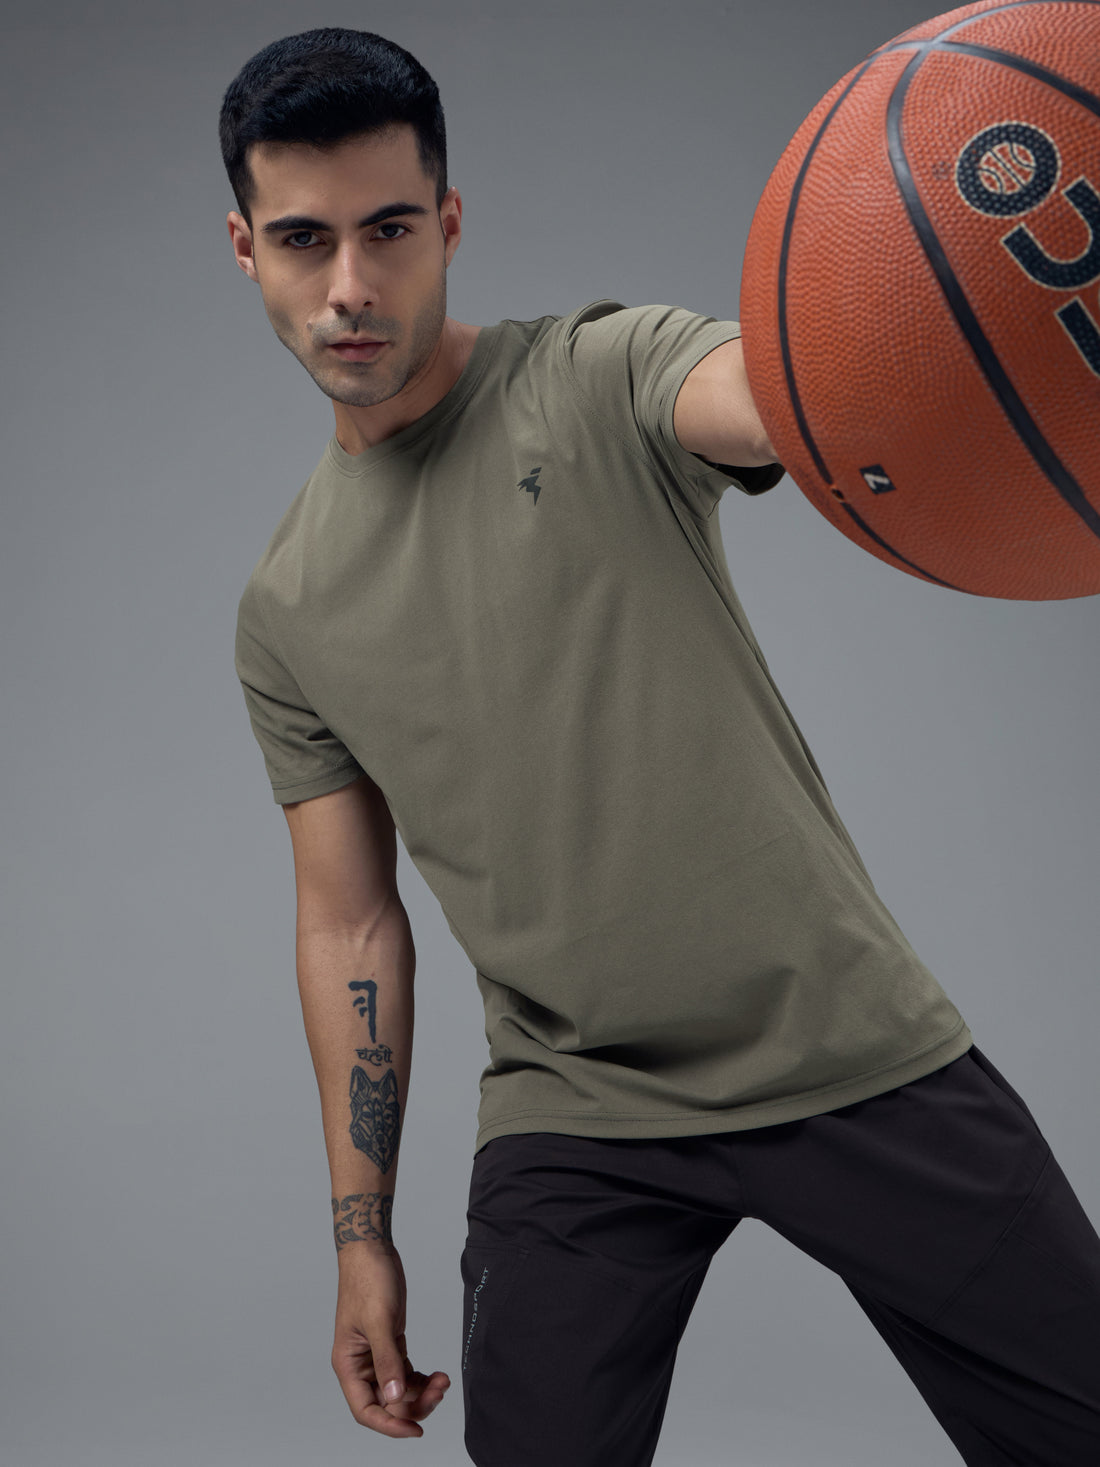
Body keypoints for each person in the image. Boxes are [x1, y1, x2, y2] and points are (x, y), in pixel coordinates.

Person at [221, 27, 1100, 1466]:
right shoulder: (287, 609)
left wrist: (982, 294)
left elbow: (776, 394)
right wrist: (359, 1237)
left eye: (389, 229)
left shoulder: (596, 371)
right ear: (246, 249)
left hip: (846, 1047)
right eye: (305, 240)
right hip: (578, 1105)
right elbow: (351, 923)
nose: (352, 286)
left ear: (449, 222)